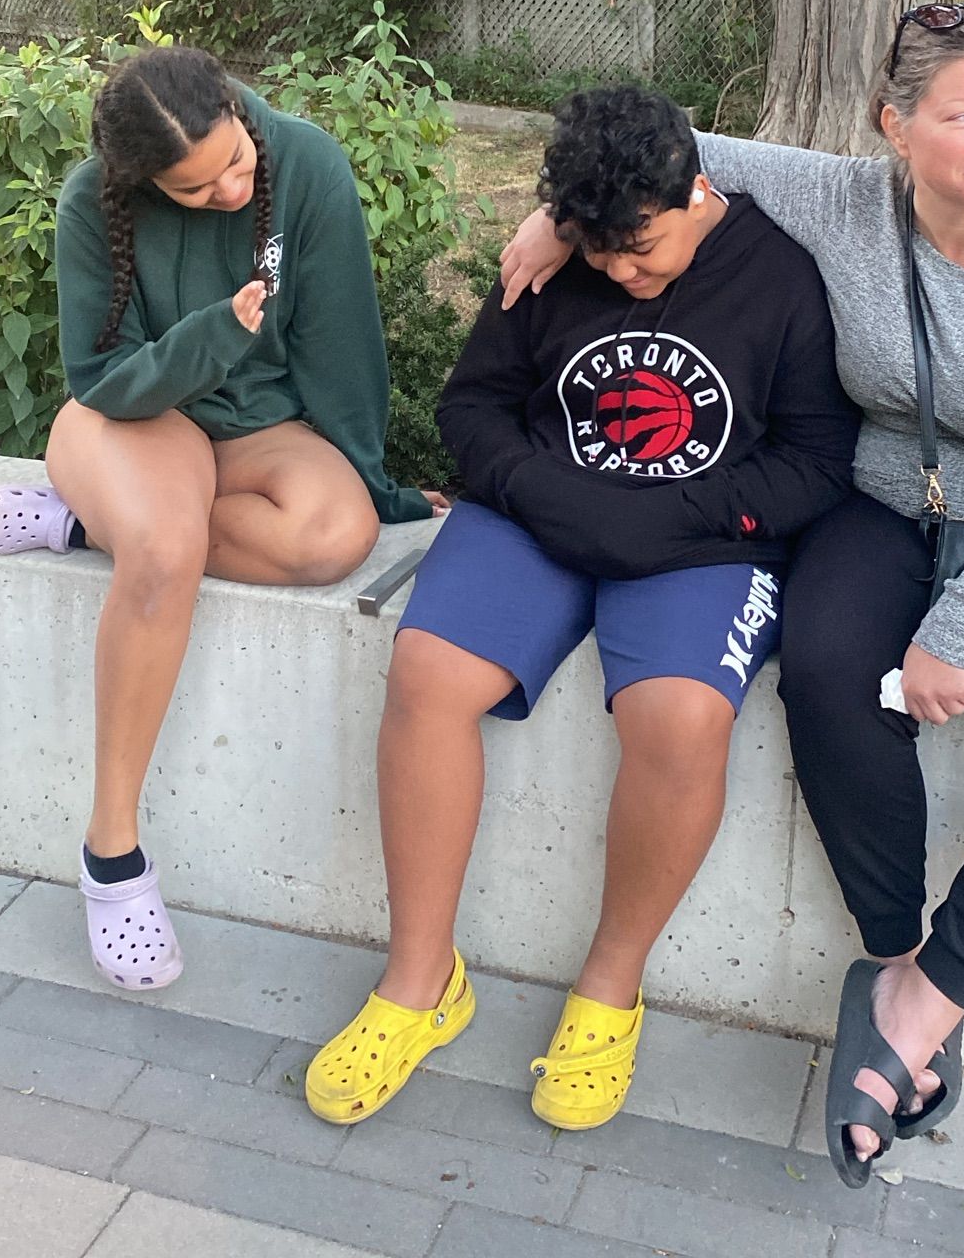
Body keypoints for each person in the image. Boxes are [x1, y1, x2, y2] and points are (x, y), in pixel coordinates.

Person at [500, 6, 964, 1184]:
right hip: (880, 505)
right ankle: (888, 952)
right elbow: (676, 147)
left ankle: (931, 996)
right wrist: (554, 215)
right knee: (826, 675)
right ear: (895, 125)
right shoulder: (839, 194)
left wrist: (960, 626)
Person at [304, 85, 857, 1131]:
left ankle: (609, 986)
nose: (618, 272)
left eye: (639, 249)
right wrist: (547, 492)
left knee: (681, 714)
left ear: (697, 190)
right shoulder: (566, 254)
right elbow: (471, 403)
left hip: (698, 537)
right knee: (427, 671)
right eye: (598, 250)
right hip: (540, 512)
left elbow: (818, 462)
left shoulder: (782, 278)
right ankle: (421, 980)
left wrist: (675, 520)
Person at [0, 46, 444, 990]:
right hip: (137, 412)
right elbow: (102, 376)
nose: (230, 189)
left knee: (335, 535)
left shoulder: (304, 163)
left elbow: (343, 339)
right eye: (194, 190)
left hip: (257, 422)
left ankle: (76, 523)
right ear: (141, 182)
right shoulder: (90, 203)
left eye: (235, 162)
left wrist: (378, 481)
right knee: (164, 546)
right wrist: (213, 334)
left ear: (237, 110)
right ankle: (112, 854)